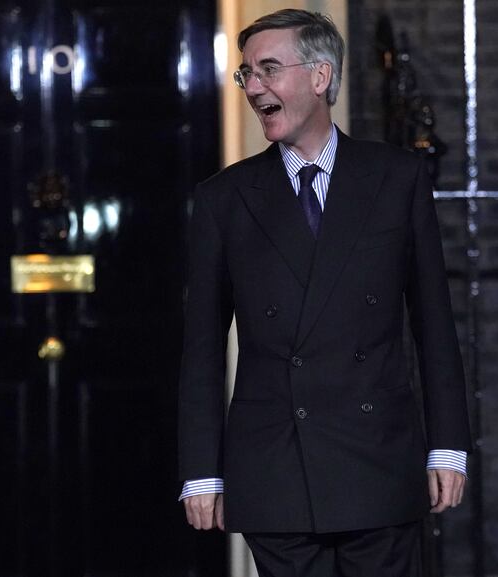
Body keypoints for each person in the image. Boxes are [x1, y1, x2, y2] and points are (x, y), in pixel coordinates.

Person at [178, 9, 472, 576]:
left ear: (320, 76)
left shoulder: (397, 179)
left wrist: (448, 445)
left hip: (378, 460)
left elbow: (434, 322)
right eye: (246, 75)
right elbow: (201, 348)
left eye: (268, 69)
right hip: (275, 466)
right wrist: (201, 470)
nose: (253, 87)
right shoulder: (224, 199)